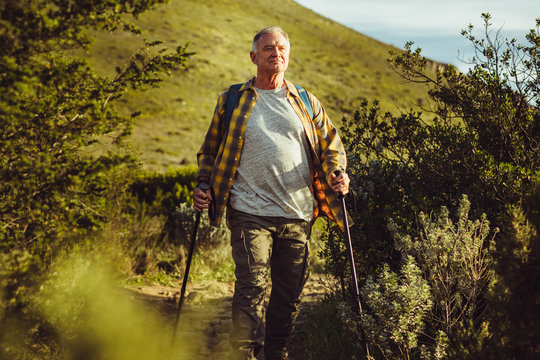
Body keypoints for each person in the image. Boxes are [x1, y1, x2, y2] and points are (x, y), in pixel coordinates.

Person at [193, 26, 350, 360]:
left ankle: (277, 352)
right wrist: (203, 185)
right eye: (268, 48)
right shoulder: (233, 100)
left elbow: (330, 146)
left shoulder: (306, 101)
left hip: (297, 212)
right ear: (254, 57)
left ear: (288, 55)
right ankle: (244, 353)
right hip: (249, 209)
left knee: (289, 292)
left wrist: (338, 173)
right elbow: (208, 152)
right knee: (251, 284)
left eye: (281, 48)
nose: (276, 53)